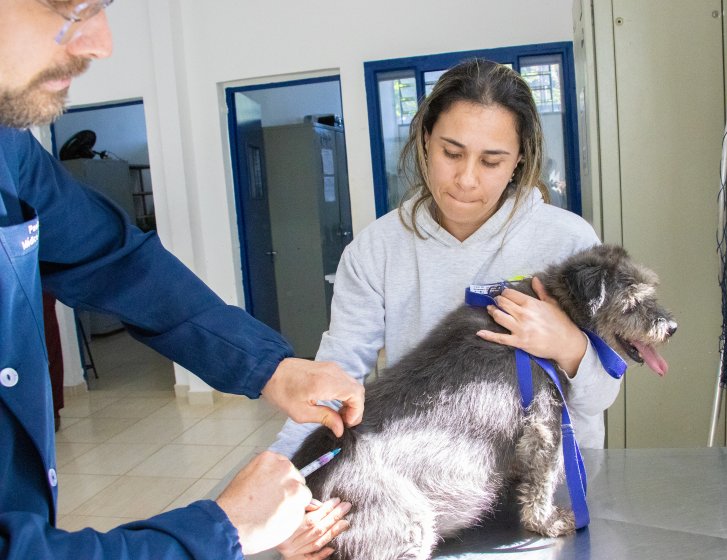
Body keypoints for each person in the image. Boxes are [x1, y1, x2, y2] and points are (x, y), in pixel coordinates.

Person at [0, 1, 363, 558]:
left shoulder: (9, 148)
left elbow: (114, 260)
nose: (102, 43)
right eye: (70, 5)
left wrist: (271, 368)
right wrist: (219, 531)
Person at [271, 58, 622, 460]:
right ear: (425, 139)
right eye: (451, 153)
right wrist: (284, 466)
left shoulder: (569, 242)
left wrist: (569, 346)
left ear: (519, 159)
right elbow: (334, 380)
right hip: (428, 474)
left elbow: (600, 397)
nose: (466, 179)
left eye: (491, 161)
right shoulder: (376, 250)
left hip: (547, 476)